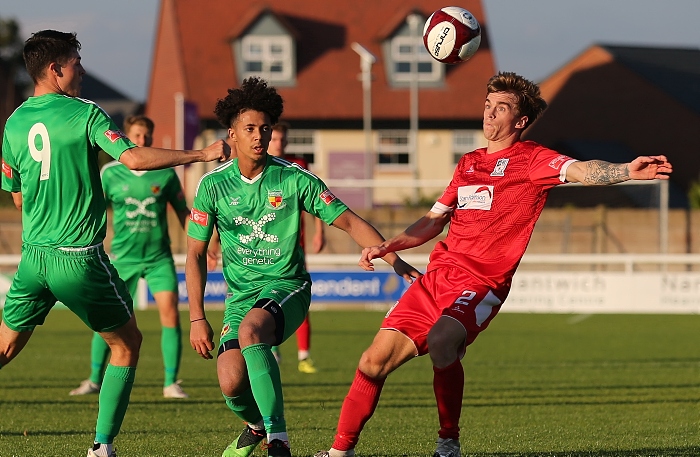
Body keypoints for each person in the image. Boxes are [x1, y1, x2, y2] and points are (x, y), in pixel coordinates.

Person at [313, 71, 673, 457]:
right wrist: (390, 245)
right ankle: (339, 453)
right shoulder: (468, 163)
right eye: (488, 105)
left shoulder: (532, 159)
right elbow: (434, 220)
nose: (489, 114)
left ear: (519, 121)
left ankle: (448, 443)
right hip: (437, 279)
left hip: (482, 282)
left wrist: (624, 171)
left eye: (500, 108)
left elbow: (581, 170)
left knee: (441, 341)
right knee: (372, 361)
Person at [0, 30, 228, 457]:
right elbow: (135, 159)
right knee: (126, 344)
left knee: (5, 346)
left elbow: (15, 195)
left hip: (32, 258)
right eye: (75, 63)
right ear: (55, 70)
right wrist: (201, 155)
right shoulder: (84, 113)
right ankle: (101, 447)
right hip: (76, 258)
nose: (82, 71)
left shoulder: (14, 122)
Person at [185, 76, 420, 457]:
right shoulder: (212, 186)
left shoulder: (293, 178)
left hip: (286, 285)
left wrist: (395, 258)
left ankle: (278, 439)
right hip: (240, 296)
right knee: (230, 382)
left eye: (265, 128)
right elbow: (195, 253)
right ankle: (256, 425)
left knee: (251, 331)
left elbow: (349, 220)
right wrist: (197, 317)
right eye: (250, 129)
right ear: (232, 134)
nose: (260, 136)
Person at [69, 115, 191, 399]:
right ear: (126, 136)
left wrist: (204, 244)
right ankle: (93, 379)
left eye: (146, 137)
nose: (141, 142)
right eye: (136, 136)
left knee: (170, 314)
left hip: (159, 258)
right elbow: (93, 210)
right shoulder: (110, 173)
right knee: (108, 320)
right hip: (123, 259)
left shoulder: (165, 172)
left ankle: (171, 383)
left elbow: (183, 212)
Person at [267, 121, 325, 374]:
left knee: (299, 296)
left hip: (294, 246)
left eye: (282, 139)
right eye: (275, 139)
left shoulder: (298, 166)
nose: (278, 144)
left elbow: (315, 199)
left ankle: (304, 356)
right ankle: (273, 351)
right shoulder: (260, 166)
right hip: (264, 246)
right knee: (265, 298)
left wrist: (319, 232)